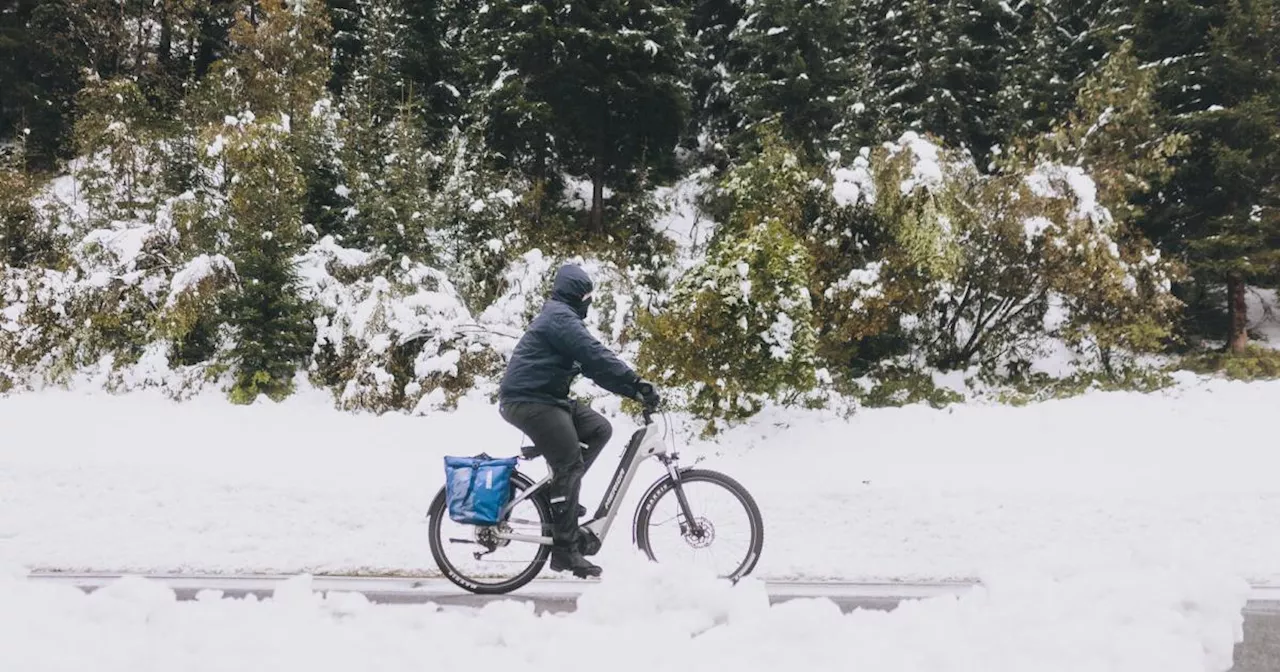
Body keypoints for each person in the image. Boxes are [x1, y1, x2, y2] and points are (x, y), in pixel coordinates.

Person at [497, 263, 659, 578]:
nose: (589, 303)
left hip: (547, 398)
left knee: (600, 429)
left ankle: (556, 496)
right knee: (569, 464)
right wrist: (636, 381)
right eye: (587, 297)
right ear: (576, 295)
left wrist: (633, 390)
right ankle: (565, 551)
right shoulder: (560, 319)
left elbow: (595, 369)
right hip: (528, 400)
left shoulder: (563, 319)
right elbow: (595, 355)